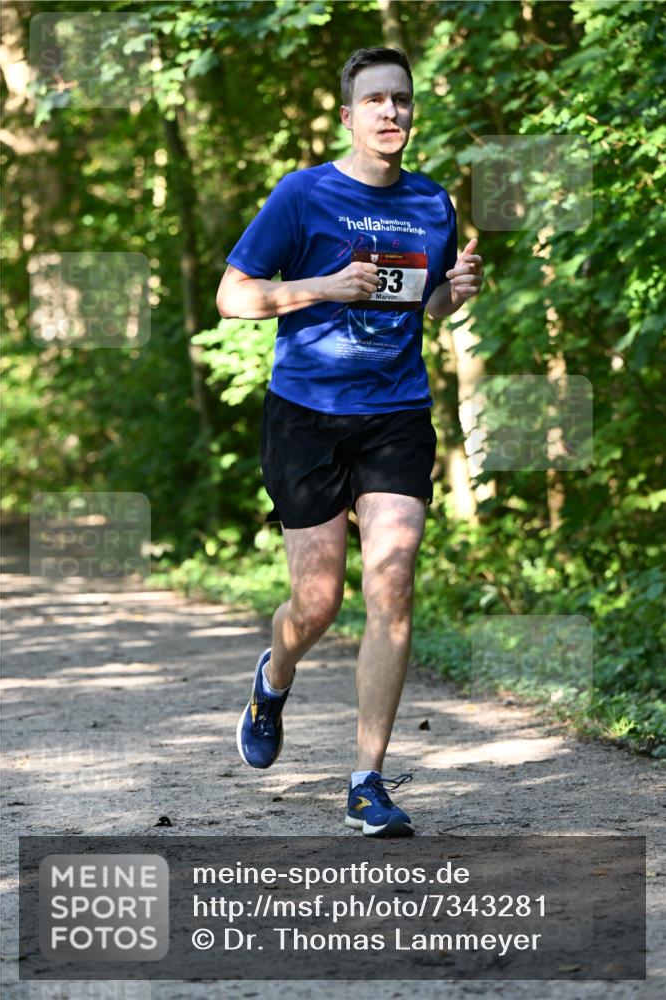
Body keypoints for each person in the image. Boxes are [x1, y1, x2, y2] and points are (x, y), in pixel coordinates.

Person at [216, 46, 483, 837]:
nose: (390, 113)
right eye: (374, 100)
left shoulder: (432, 204)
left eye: (400, 100)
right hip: (305, 415)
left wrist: (449, 295)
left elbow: (421, 305)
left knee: (394, 583)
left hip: (395, 413)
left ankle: (366, 780)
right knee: (316, 601)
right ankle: (274, 677)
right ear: (347, 114)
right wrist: (321, 288)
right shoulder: (303, 196)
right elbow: (233, 297)